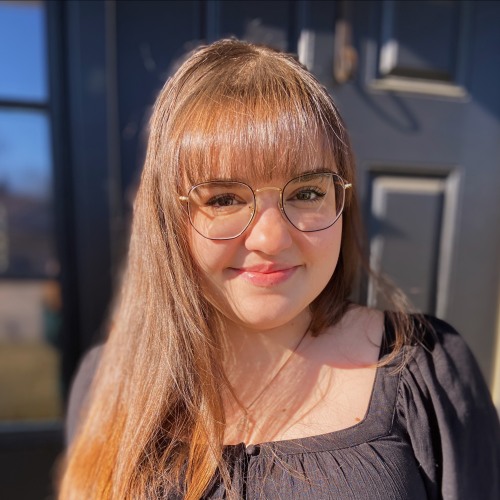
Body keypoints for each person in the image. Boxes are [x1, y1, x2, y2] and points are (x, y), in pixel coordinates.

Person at [59, 39, 500, 500]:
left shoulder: (428, 369)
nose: (271, 239)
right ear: (168, 217)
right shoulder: (105, 382)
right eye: (224, 199)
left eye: (307, 193)